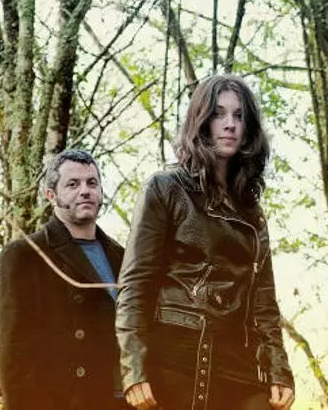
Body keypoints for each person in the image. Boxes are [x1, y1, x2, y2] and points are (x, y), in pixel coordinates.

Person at [116, 75, 294, 410]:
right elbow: (136, 284)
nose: (230, 124)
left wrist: (278, 369)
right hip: (178, 358)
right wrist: (133, 368)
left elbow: (264, 303)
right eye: (218, 113)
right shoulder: (165, 188)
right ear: (201, 121)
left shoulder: (252, 211)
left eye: (239, 115)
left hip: (238, 361)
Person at [0, 149, 126, 409]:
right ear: (51, 195)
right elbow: (13, 354)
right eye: (72, 184)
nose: (85, 191)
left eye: (92, 183)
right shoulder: (25, 255)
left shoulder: (122, 256)